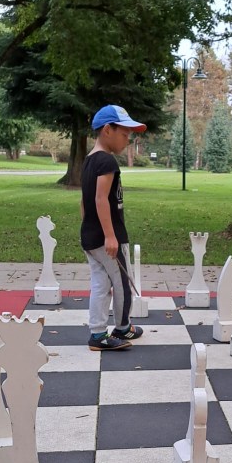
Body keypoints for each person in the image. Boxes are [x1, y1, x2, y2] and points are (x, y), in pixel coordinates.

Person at [81, 105, 147, 351]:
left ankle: (98, 333)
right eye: (124, 134)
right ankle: (123, 327)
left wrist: (88, 226)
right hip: (108, 238)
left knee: (100, 284)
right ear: (108, 130)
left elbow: (84, 201)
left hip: (90, 236)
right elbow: (100, 199)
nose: (127, 139)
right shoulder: (106, 161)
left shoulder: (89, 160)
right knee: (122, 285)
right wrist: (110, 236)